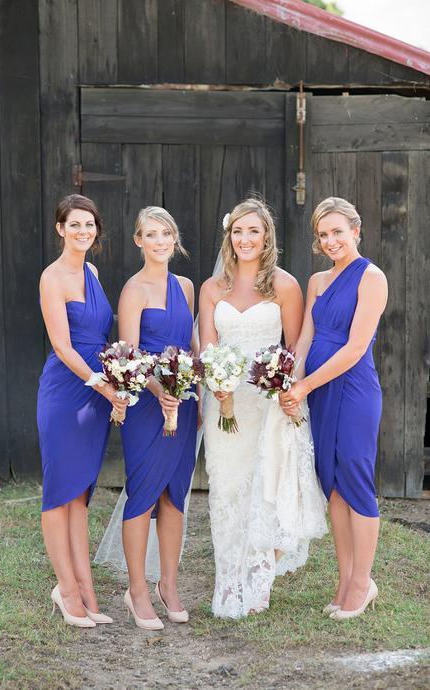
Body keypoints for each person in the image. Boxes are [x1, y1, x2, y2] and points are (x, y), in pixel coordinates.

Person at [199, 197, 327, 619]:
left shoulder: (285, 286)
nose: (245, 239)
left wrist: (288, 391)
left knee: (265, 487)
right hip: (225, 405)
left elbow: (294, 350)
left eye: (253, 231)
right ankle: (228, 581)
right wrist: (217, 386)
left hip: (268, 405)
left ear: (266, 236)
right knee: (226, 488)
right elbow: (208, 347)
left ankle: (259, 580)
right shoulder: (211, 289)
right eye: (238, 231)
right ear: (229, 237)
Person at [280, 196, 388, 621]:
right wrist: (291, 381)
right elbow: (306, 337)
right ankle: (346, 581)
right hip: (319, 392)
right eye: (323, 235)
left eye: (338, 232)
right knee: (334, 486)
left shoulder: (371, 277)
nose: (330, 241)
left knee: (356, 482)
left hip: (355, 390)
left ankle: (363, 583)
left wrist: (305, 384)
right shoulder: (318, 281)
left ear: (356, 231)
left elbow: (356, 347)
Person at [98, 207, 198, 631]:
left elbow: (191, 344)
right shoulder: (133, 289)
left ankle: (168, 585)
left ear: (175, 239)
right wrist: (161, 392)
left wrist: (193, 382)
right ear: (139, 241)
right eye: (151, 235)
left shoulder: (186, 286)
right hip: (147, 404)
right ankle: (136, 589)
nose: (160, 242)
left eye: (166, 234)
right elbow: (131, 355)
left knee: (175, 493)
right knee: (143, 491)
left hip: (184, 401)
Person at [38, 194, 127, 627]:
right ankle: (66, 589)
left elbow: (99, 337)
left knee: (80, 493)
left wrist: (117, 380)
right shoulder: (51, 278)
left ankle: (86, 588)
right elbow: (62, 345)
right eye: (74, 225)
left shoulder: (92, 272)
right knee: (59, 492)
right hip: (66, 391)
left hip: (98, 390)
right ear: (60, 229)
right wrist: (103, 385)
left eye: (89, 225)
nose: (83, 232)